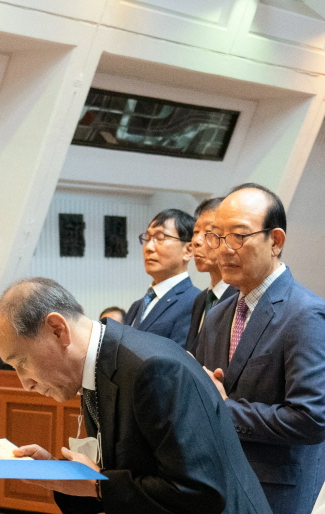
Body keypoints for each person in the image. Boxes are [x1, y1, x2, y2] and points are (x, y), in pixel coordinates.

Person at [0, 277, 271, 514]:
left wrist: (97, 485)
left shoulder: (153, 369)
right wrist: (60, 475)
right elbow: (131, 470)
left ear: (58, 330)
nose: (25, 383)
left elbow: (200, 492)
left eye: (22, 363)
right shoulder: (100, 365)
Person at [196, 183, 325, 514]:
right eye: (216, 236)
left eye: (238, 236)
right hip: (219, 487)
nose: (224, 249)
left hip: (277, 494)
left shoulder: (305, 313)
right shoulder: (218, 315)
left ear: (275, 241)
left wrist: (224, 409)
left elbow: (311, 419)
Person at [123, 209, 200, 347]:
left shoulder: (195, 302)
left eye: (160, 238)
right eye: (147, 238)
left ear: (188, 250)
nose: (149, 247)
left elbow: (178, 357)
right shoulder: (137, 306)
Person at [185, 197, 237, 353]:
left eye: (209, 232)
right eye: (195, 232)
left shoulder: (240, 298)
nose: (196, 241)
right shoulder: (201, 299)